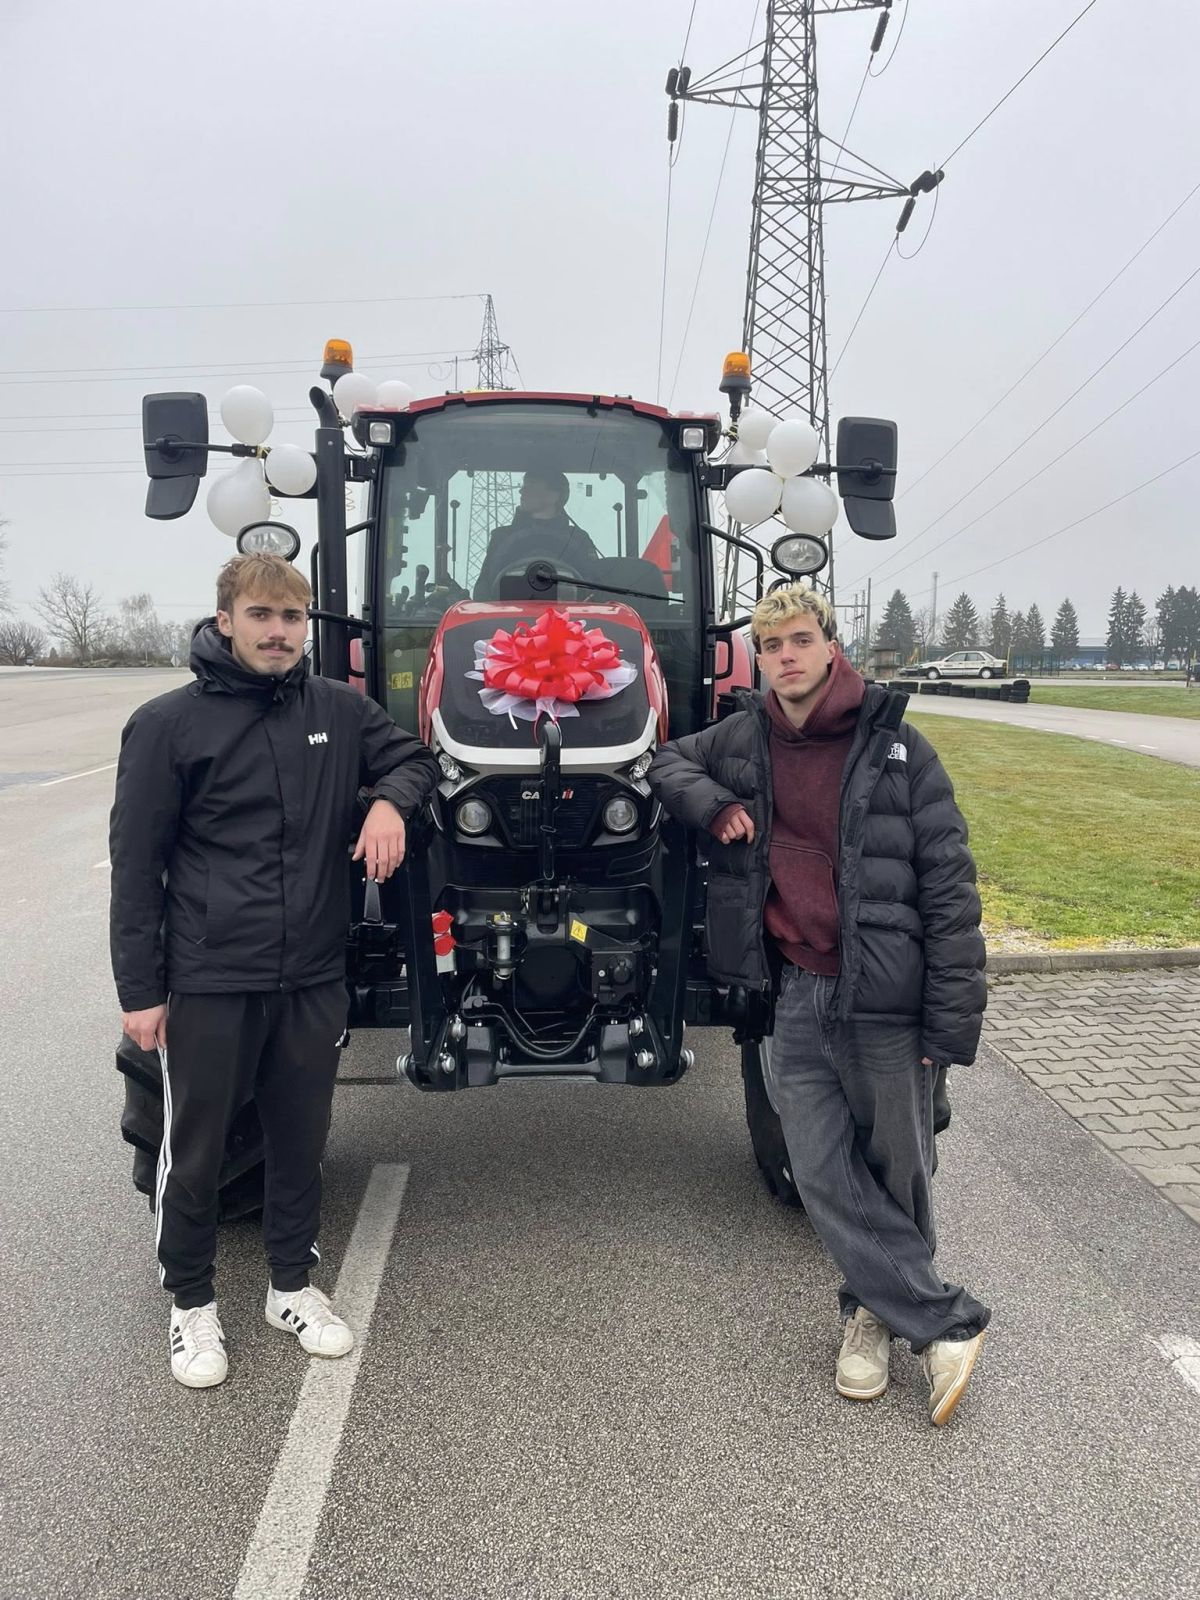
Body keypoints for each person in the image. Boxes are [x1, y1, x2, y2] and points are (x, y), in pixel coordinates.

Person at [647, 583, 990, 1426]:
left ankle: (871, 1316)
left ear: (832, 645)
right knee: (820, 1169)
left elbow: (951, 893)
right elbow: (666, 763)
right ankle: (941, 1323)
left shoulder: (899, 749)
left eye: (800, 640)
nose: (786, 657)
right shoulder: (743, 737)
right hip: (795, 990)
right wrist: (718, 807)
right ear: (758, 658)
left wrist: (949, 1023)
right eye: (771, 646)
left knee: (898, 1167)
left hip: (885, 997)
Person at [110, 553, 439, 1389]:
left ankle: (291, 1287)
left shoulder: (338, 710)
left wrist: (387, 802)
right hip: (211, 977)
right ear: (225, 620)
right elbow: (136, 869)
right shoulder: (167, 726)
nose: (279, 632)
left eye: (292, 618)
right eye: (261, 615)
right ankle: (191, 1303)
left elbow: (415, 759)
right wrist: (140, 992)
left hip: (312, 975)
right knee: (196, 1150)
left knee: (300, 1140)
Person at [472, 469, 601, 599]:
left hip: (569, 611)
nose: (521, 491)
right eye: (524, 486)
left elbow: (595, 588)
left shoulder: (579, 539)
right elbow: (483, 590)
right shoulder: (501, 537)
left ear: (554, 496)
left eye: (531, 485)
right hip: (509, 611)